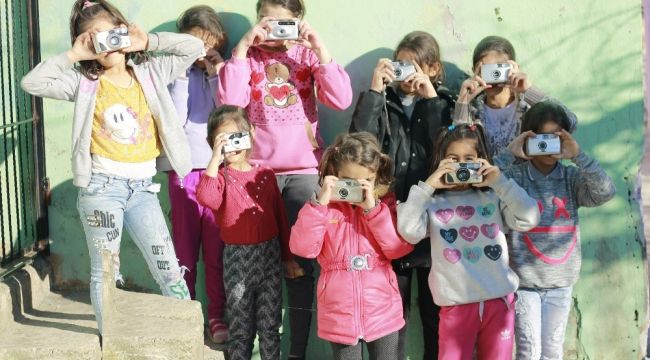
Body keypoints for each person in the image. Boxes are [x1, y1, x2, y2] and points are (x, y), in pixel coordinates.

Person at [20, 0, 202, 333]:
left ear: (124, 29)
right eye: (94, 39)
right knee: (105, 271)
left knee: (169, 269)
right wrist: (73, 56)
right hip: (101, 190)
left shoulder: (151, 72)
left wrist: (148, 42)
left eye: (111, 33)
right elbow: (32, 83)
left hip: (143, 190)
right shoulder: (84, 83)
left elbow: (194, 47)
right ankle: (112, 342)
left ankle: (185, 337)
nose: (105, 44)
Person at [218, 1, 353, 358]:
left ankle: (296, 351)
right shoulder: (249, 57)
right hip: (256, 173)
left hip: (303, 173)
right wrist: (244, 47)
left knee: (300, 267)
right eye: (269, 21)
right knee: (255, 267)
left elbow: (341, 99)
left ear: (299, 21)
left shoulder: (307, 57)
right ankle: (250, 348)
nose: (278, 29)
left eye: (286, 22)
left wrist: (320, 50)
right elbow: (230, 103)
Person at [350, 30, 455, 359]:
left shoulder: (446, 103)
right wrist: (375, 92)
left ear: (433, 69)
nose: (406, 74)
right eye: (401, 65)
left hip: (433, 225)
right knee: (392, 318)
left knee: (434, 315)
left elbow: (446, 152)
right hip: (389, 224)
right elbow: (358, 147)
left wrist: (431, 101)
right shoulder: (383, 103)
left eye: (414, 67)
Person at [397, 123, 540, 359]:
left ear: (481, 160)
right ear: (441, 161)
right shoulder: (432, 204)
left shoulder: (493, 197)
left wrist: (500, 182)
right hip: (456, 306)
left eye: (469, 158)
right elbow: (408, 231)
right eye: (453, 158)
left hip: (499, 304)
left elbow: (529, 217)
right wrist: (429, 186)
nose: (461, 165)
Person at [495, 101, 615, 359]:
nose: (549, 145)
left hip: (561, 282)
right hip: (524, 283)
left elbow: (605, 192)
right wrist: (509, 153)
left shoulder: (571, 178)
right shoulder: (516, 176)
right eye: (542, 139)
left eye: (556, 138)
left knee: (552, 350)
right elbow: (484, 189)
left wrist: (579, 156)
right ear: (528, 138)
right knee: (529, 351)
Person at [290, 132, 413, 360]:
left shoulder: (383, 205)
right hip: (340, 314)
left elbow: (398, 249)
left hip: (382, 310)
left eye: (362, 182)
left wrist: (373, 211)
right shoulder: (323, 208)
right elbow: (302, 248)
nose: (354, 189)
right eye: (348, 181)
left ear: (375, 177)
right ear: (335, 174)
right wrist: (319, 204)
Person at [196, 105, 293, 360]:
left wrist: (288, 258)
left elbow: (280, 219)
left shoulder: (265, 175)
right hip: (237, 260)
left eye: (237, 136)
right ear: (213, 143)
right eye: (224, 140)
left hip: (269, 258)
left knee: (270, 327)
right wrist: (215, 160)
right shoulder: (219, 177)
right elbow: (206, 198)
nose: (233, 145)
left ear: (250, 133)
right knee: (240, 329)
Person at [168, 5, 228, 344]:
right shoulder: (175, 76)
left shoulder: (222, 72)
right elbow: (175, 121)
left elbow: (227, 109)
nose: (199, 53)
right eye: (192, 45)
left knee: (217, 250)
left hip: (219, 171)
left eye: (206, 45)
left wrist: (215, 71)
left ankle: (217, 314)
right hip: (183, 169)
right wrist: (181, 74)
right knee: (185, 251)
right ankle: (186, 313)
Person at [455, 35, 577, 157]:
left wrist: (529, 91)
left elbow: (571, 123)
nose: (495, 75)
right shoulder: (472, 111)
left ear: (514, 68)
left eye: (499, 68)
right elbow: (458, 145)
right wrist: (462, 103)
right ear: (475, 71)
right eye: (487, 70)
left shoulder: (529, 108)